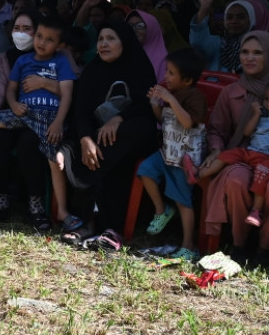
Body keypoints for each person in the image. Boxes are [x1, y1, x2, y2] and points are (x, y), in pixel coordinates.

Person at [0, 17, 79, 231]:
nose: (39, 41)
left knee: (34, 146)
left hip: (48, 119)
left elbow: (72, 91)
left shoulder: (62, 58)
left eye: (27, 29)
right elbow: (5, 87)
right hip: (20, 113)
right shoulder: (11, 58)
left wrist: (45, 86)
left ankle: (39, 206)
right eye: (17, 28)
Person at [57, 21, 159, 239]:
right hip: (101, 140)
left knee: (134, 129)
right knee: (109, 159)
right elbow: (80, 109)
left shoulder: (139, 66)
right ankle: (108, 228)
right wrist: (85, 140)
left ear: (125, 42)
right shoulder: (93, 70)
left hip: (131, 137)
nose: (104, 44)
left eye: (111, 38)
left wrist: (119, 119)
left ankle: (89, 222)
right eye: (101, 39)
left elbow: (147, 106)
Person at [198, 30, 269, 265]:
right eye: (245, 52)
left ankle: (263, 248)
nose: (249, 58)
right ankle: (239, 243)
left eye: (257, 53)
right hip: (239, 156)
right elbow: (216, 129)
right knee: (236, 180)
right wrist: (217, 149)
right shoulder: (231, 92)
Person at [133, 48, 207, 261]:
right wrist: (156, 104)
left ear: (188, 80)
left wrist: (170, 100)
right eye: (167, 71)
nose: (166, 76)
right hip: (167, 152)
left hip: (185, 159)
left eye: (172, 73)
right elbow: (163, 121)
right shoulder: (172, 95)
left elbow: (187, 122)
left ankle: (188, 245)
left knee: (184, 201)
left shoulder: (195, 96)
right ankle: (162, 209)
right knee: (145, 170)